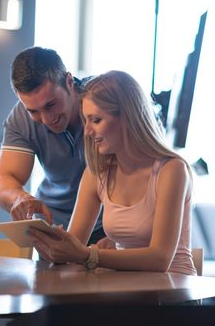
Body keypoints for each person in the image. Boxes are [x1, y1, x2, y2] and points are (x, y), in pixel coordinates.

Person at [28, 70, 197, 275]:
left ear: (127, 117)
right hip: (126, 291)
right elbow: (72, 249)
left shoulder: (172, 170)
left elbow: (159, 259)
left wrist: (88, 255)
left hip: (173, 295)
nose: (88, 132)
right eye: (86, 121)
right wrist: (53, 244)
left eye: (96, 120)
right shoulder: (97, 173)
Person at [0, 46, 106, 245]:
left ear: (70, 82)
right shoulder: (20, 118)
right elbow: (4, 179)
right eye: (33, 111)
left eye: (50, 105)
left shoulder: (102, 101)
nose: (46, 119)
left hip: (107, 226)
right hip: (55, 226)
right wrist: (19, 198)